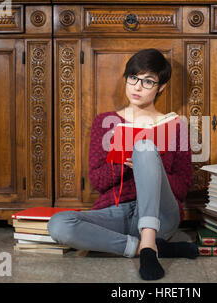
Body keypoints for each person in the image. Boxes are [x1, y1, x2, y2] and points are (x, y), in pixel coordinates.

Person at [47, 48, 199, 281]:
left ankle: (148, 243)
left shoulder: (177, 127)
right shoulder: (104, 122)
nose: (137, 87)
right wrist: (123, 164)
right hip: (118, 213)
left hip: (161, 214)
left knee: (144, 147)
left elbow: (181, 187)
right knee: (59, 225)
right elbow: (98, 181)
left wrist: (148, 164)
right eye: (133, 78)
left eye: (148, 81)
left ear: (161, 87)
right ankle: (146, 249)